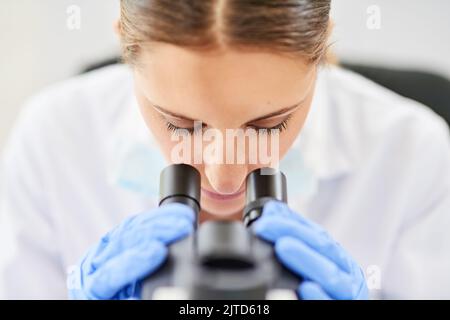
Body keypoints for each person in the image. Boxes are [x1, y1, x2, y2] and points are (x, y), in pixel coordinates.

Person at [1, 0, 449, 300]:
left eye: (270, 124)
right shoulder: (54, 140)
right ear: (124, 43)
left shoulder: (411, 154)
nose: (224, 178)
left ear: (322, 50)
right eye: (180, 124)